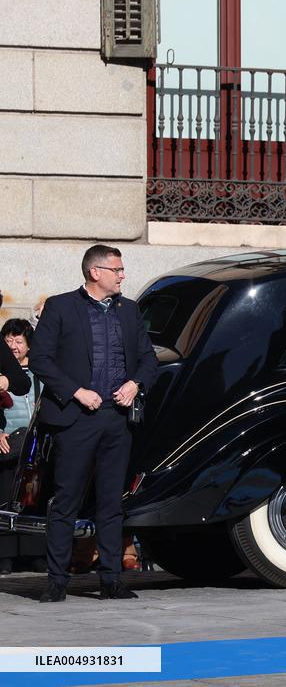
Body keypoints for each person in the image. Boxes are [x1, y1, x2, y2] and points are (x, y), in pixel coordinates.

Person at [29, 244, 157, 603]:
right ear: (95, 272)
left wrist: (135, 384)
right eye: (117, 269)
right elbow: (40, 358)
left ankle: (111, 580)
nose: (122, 275)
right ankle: (56, 581)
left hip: (117, 421)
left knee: (111, 503)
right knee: (66, 500)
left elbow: (148, 360)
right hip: (76, 419)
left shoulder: (130, 311)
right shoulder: (61, 307)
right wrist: (75, 392)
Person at [0, 319, 46, 574]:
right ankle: (5, 555)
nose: (13, 346)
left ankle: (35, 553)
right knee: (5, 499)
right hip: (7, 442)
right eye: (8, 341)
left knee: (33, 497)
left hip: (34, 442)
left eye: (19, 341)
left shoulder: (39, 371)